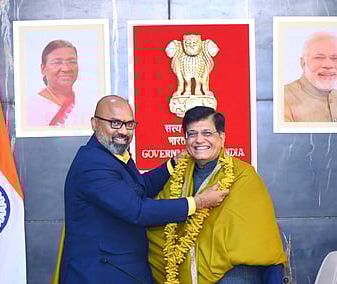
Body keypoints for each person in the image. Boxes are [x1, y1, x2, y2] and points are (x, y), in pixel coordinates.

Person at [58, 95, 229, 283]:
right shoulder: (93, 164)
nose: (123, 131)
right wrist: (199, 202)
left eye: (129, 124)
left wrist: (171, 166)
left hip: (124, 268)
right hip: (101, 274)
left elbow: (138, 187)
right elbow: (137, 210)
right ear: (94, 123)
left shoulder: (114, 153)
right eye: (115, 123)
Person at [147, 106, 287, 284]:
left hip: (234, 274)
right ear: (185, 139)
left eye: (207, 133)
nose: (199, 140)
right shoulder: (176, 176)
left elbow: (261, 237)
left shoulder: (242, 175)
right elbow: (158, 219)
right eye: (192, 134)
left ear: (221, 137)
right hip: (185, 273)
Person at [284, 32, 337, 122]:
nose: (328, 65)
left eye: (335, 58)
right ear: (303, 63)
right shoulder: (283, 100)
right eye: (319, 57)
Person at [27, 39, 82, 126]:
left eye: (72, 62)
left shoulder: (87, 103)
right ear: (43, 69)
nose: (66, 69)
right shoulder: (30, 107)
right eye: (57, 62)